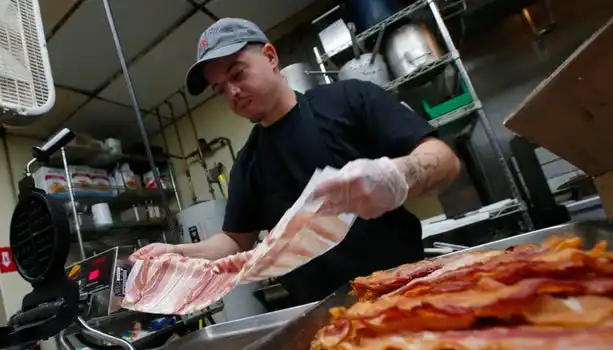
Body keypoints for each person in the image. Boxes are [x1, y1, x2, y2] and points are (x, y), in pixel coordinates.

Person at [131, 18, 461, 306]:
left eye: (238, 73)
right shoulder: (248, 164)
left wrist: (398, 174)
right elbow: (234, 242)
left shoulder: (349, 99)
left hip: (406, 290)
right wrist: (179, 254)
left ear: (271, 56)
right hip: (323, 317)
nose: (232, 93)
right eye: (220, 89)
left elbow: (444, 160)